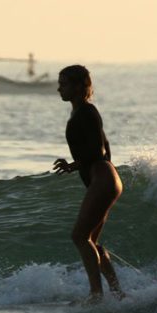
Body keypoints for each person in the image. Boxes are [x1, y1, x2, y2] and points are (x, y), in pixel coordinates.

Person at [52, 64, 124, 299]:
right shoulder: (82, 111)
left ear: (77, 86)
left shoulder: (86, 112)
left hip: (103, 177)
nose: (58, 89)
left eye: (63, 84)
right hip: (105, 177)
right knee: (91, 241)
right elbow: (106, 149)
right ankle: (117, 293)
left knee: (79, 237)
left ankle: (96, 295)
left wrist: (73, 165)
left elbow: (98, 149)